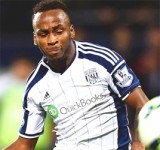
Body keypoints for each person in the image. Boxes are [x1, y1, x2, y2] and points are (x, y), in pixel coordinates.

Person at [4, 0, 149, 150]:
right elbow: (25, 145)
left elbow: (143, 105)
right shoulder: (35, 85)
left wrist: (139, 143)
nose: (52, 40)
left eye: (58, 31)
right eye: (44, 34)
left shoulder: (103, 60)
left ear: (71, 31)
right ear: (35, 39)